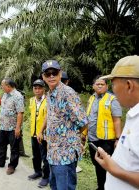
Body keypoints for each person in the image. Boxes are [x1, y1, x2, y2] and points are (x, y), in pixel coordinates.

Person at [37, 60, 88, 190]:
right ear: (43, 77)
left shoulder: (67, 93)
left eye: (54, 73)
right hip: (53, 152)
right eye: (48, 74)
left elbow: (83, 121)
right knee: (54, 186)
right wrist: (42, 131)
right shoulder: (49, 94)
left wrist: (77, 140)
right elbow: (51, 116)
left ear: (60, 74)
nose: (51, 76)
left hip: (65, 155)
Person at [95, 55, 139, 189]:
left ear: (129, 85)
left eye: (113, 84)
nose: (112, 89)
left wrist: (113, 168)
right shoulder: (134, 114)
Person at [82, 76, 122, 190]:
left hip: (106, 140)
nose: (99, 86)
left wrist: (118, 139)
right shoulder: (91, 98)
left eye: (102, 84)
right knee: (97, 164)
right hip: (93, 139)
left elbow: (117, 120)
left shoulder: (112, 99)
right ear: (93, 86)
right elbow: (87, 117)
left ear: (107, 86)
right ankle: (101, 187)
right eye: (97, 84)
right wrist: (84, 135)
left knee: (106, 166)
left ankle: (108, 187)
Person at [0, 78, 24, 175]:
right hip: (3, 126)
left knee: (14, 148)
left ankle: (12, 166)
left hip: (13, 128)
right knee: (1, 145)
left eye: (2, 85)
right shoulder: (5, 94)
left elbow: (20, 113)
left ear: (8, 86)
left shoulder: (18, 96)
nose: (1, 87)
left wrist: (17, 128)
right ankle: (0, 162)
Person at [28, 79, 49, 188]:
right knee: (35, 155)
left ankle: (46, 177)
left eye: (39, 88)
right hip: (34, 133)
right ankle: (37, 172)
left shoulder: (48, 100)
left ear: (44, 89)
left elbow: (48, 118)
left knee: (45, 157)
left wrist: (42, 131)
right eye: (35, 88)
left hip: (44, 135)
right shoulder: (31, 100)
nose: (37, 90)